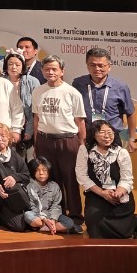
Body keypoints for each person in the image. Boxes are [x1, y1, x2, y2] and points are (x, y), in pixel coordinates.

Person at [33, 55, 87, 225]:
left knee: (70, 179)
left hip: (68, 141)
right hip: (45, 140)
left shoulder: (72, 92)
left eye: (54, 69)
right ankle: (57, 215)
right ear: (42, 71)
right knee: (51, 180)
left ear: (62, 71)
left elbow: (80, 121)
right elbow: (36, 119)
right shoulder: (38, 91)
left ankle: (76, 217)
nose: (50, 72)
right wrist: (36, 143)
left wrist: (82, 145)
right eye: (47, 69)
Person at [76, 119, 137, 239]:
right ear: (93, 134)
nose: (107, 136)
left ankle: (134, 221)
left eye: (110, 132)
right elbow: (82, 176)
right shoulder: (84, 150)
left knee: (123, 233)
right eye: (102, 132)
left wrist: (118, 193)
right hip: (97, 194)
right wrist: (102, 193)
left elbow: (127, 179)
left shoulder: (121, 152)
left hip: (118, 195)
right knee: (95, 226)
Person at [71, 47, 137, 154]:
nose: (97, 69)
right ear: (87, 65)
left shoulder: (120, 87)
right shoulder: (78, 84)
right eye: (92, 65)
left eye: (101, 65)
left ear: (109, 66)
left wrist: (132, 138)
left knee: (113, 165)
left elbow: (130, 113)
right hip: (87, 137)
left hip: (112, 138)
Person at [0, 122, 31, 233]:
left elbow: (26, 175)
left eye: (3, 136)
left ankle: (2, 215)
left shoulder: (15, 155)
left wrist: (14, 177)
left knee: (19, 226)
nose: (0, 139)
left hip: (12, 198)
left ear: (9, 138)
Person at [23, 156, 78, 234]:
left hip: (50, 214)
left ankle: (43, 228)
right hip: (37, 215)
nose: (41, 173)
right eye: (37, 170)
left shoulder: (54, 186)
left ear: (49, 171)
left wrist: (53, 220)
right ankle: (50, 227)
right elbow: (32, 207)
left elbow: (56, 206)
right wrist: (44, 219)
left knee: (69, 223)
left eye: (44, 170)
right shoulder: (29, 186)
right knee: (28, 215)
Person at [3, 50, 40, 157]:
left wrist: (29, 130)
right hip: (6, 127)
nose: (14, 67)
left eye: (17, 64)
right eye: (10, 64)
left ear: (23, 66)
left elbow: (36, 109)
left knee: (26, 158)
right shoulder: (0, 81)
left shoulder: (32, 82)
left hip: (27, 127)